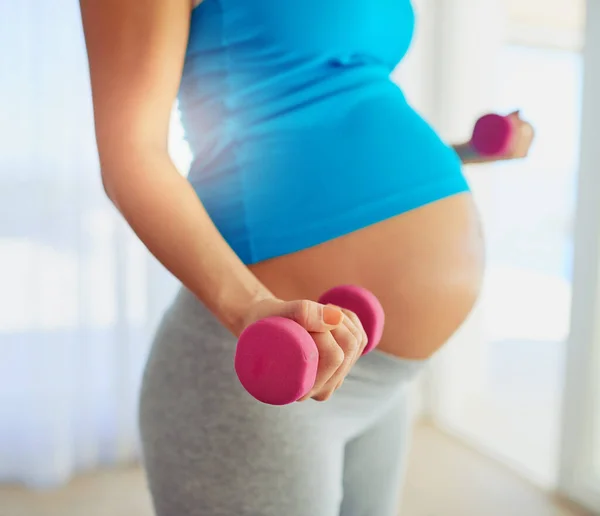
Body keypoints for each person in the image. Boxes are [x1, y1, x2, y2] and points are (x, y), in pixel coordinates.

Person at [79, 1, 534, 515]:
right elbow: (131, 157)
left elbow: (327, 121)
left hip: (379, 376)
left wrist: (459, 152)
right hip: (273, 363)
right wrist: (249, 308)